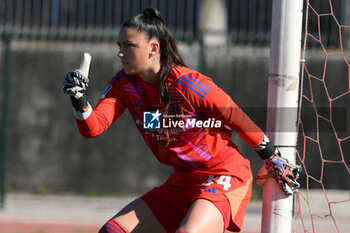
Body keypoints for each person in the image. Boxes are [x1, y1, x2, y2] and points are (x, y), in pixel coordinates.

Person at [62, 8, 301, 233]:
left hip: (223, 175)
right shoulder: (123, 84)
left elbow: (236, 116)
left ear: (153, 49)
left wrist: (271, 155)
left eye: (129, 46)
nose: (120, 53)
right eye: (119, 45)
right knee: (112, 230)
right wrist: (78, 100)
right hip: (183, 182)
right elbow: (93, 128)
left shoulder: (187, 83)